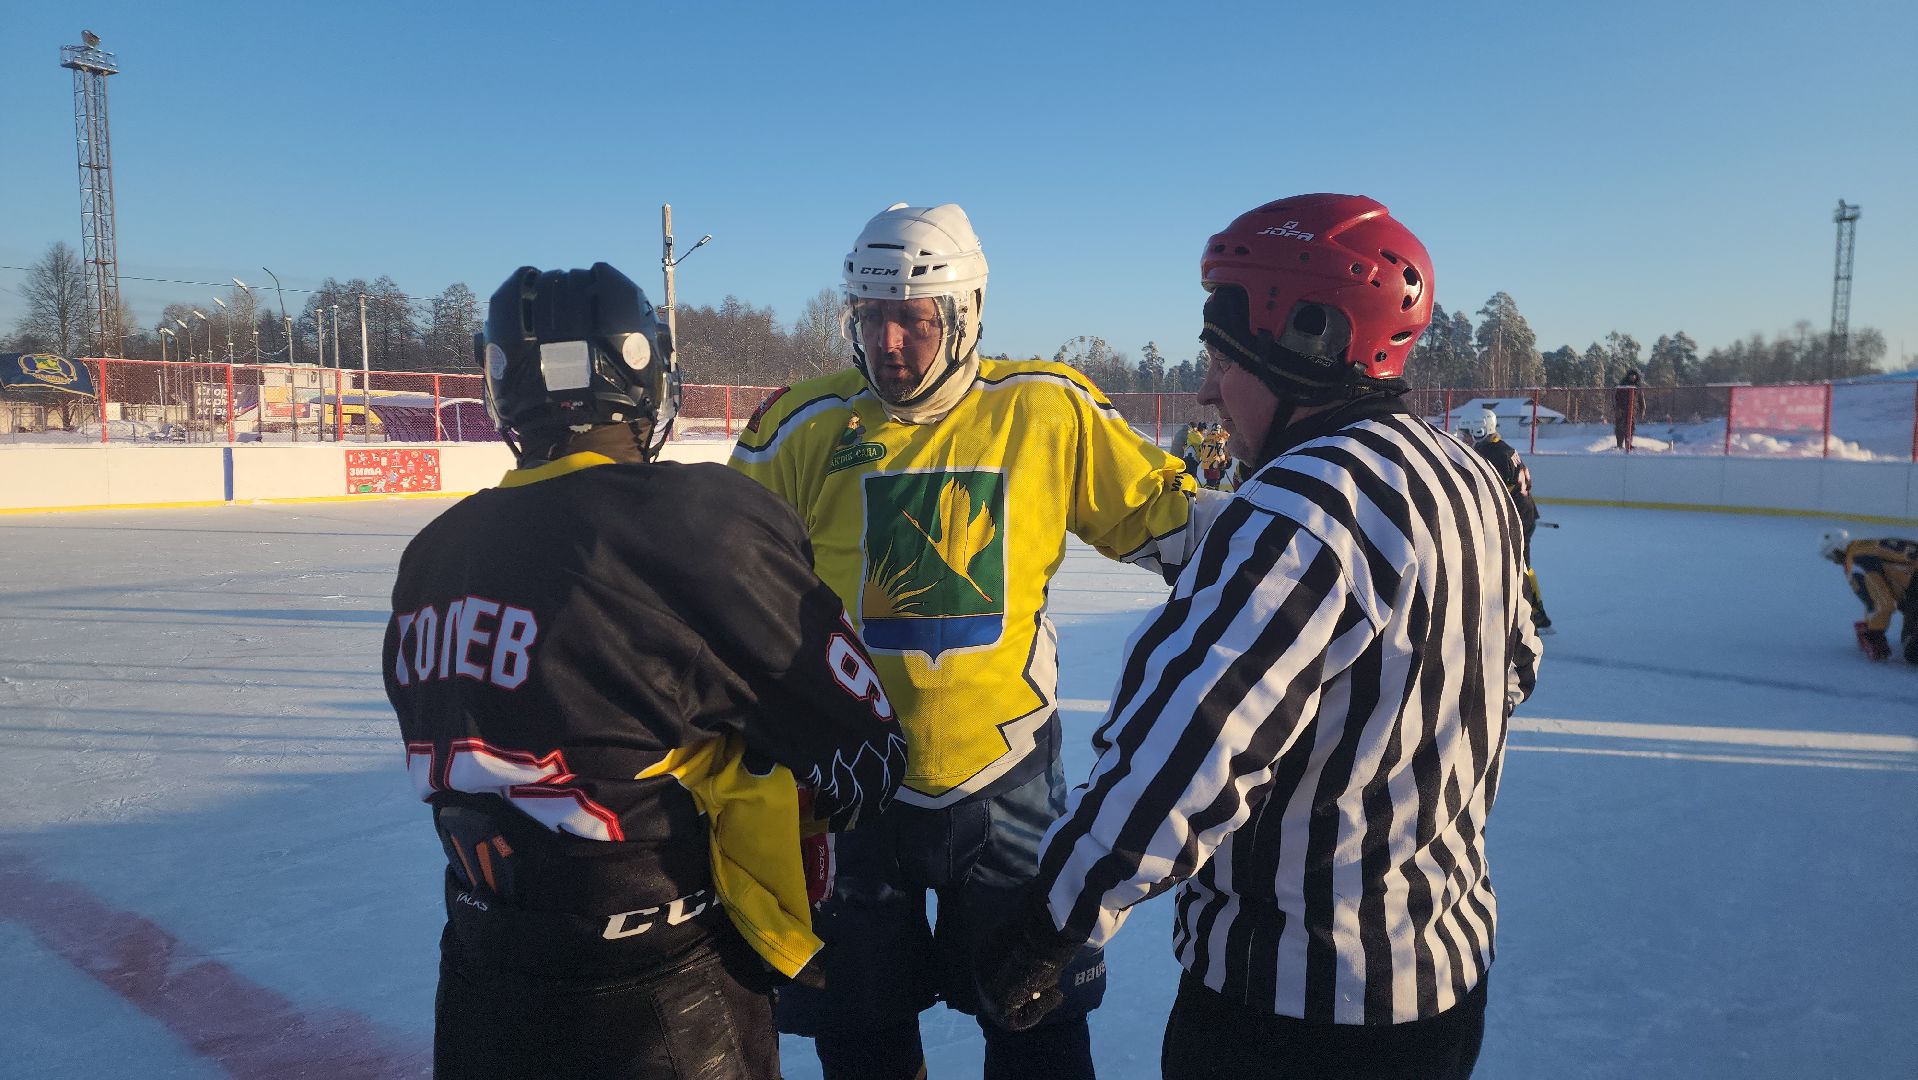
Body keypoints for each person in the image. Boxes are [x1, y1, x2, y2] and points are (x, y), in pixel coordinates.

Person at [972, 193, 1543, 1080]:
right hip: (1440, 979)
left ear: (1303, 344)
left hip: (1293, 1015)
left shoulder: (1299, 508)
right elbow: (1516, 671)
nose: (1204, 391)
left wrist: (1052, 924)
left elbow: (1182, 756)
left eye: (1222, 358)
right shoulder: (1470, 476)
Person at [730, 202, 1221, 1080]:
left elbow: (1182, 527)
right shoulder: (800, 428)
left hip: (1007, 781)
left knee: (1035, 1025)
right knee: (862, 1033)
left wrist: (1322, 535)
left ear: (965, 314)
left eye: (912, 319)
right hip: (851, 788)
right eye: (869, 317)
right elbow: (725, 583)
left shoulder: (1046, 409)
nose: (888, 342)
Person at [384, 262, 908, 1080]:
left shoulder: (432, 555)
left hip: (483, 974)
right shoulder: (696, 520)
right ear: (649, 378)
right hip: (659, 993)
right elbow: (867, 753)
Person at [1463, 407, 1552, 633]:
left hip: (1516, 518)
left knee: (1517, 566)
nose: (1463, 438)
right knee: (1511, 565)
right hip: (1522, 513)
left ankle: (1535, 613)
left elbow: (1487, 493)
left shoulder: (1490, 454)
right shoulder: (1501, 449)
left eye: (1466, 432)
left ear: (1480, 429)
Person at [1819, 529, 1918, 663]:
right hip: (1913, 587)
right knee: (1908, 638)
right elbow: (1876, 597)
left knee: (1913, 651)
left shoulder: (1856, 561)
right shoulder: (1865, 547)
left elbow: (1883, 603)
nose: (1834, 562)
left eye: (1832, 556)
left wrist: (1875, 634)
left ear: (1839, 549)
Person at [1612, 368, 1643, 452]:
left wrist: (1642, 409)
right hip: (1622, 410)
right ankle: (1619, 444)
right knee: (1620, 427)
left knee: (1631, 428)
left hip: (1632, 411)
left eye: (1634, 376)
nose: (1633, 377)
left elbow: (1641, 400)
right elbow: (1615, 398)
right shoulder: (1622, 386)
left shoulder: (1637, 387)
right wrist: (1617, 408)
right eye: (1631, 375)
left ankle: (1628, 444)